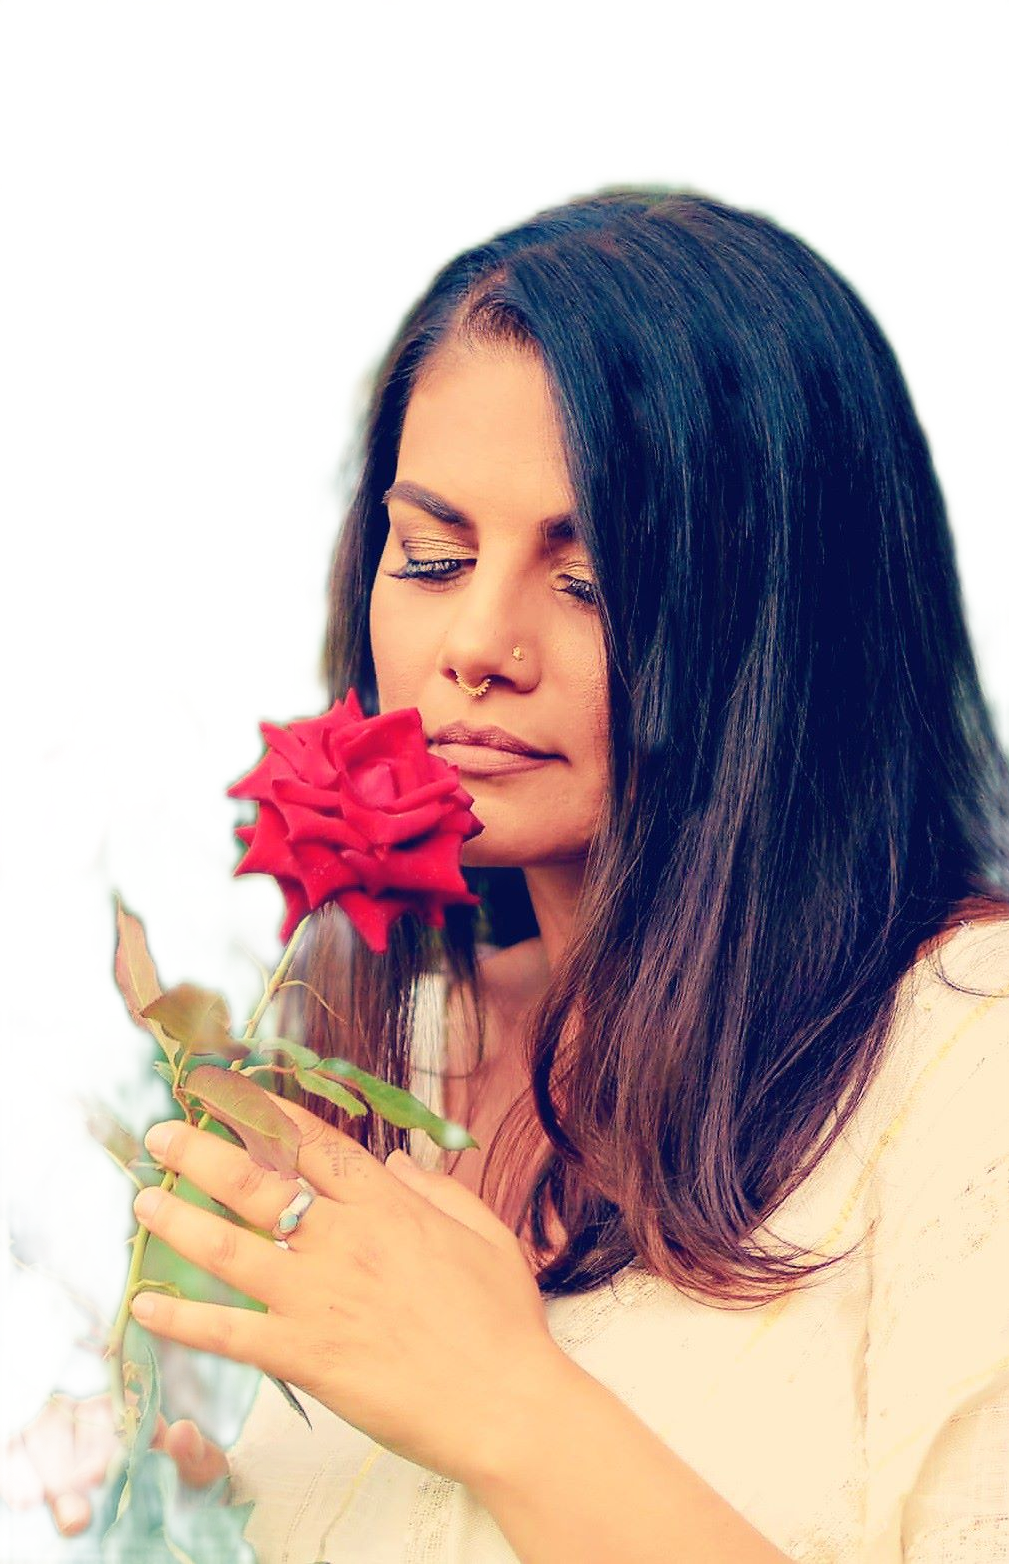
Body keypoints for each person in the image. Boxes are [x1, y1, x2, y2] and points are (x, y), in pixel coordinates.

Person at [4, 169, 1009, 1561]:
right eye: (430, 558)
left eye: (590, 581)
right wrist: (171, 1504)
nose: (477, 645)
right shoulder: (383, 1059)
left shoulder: (965, 1065)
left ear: (793, 621)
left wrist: (508, 1409)